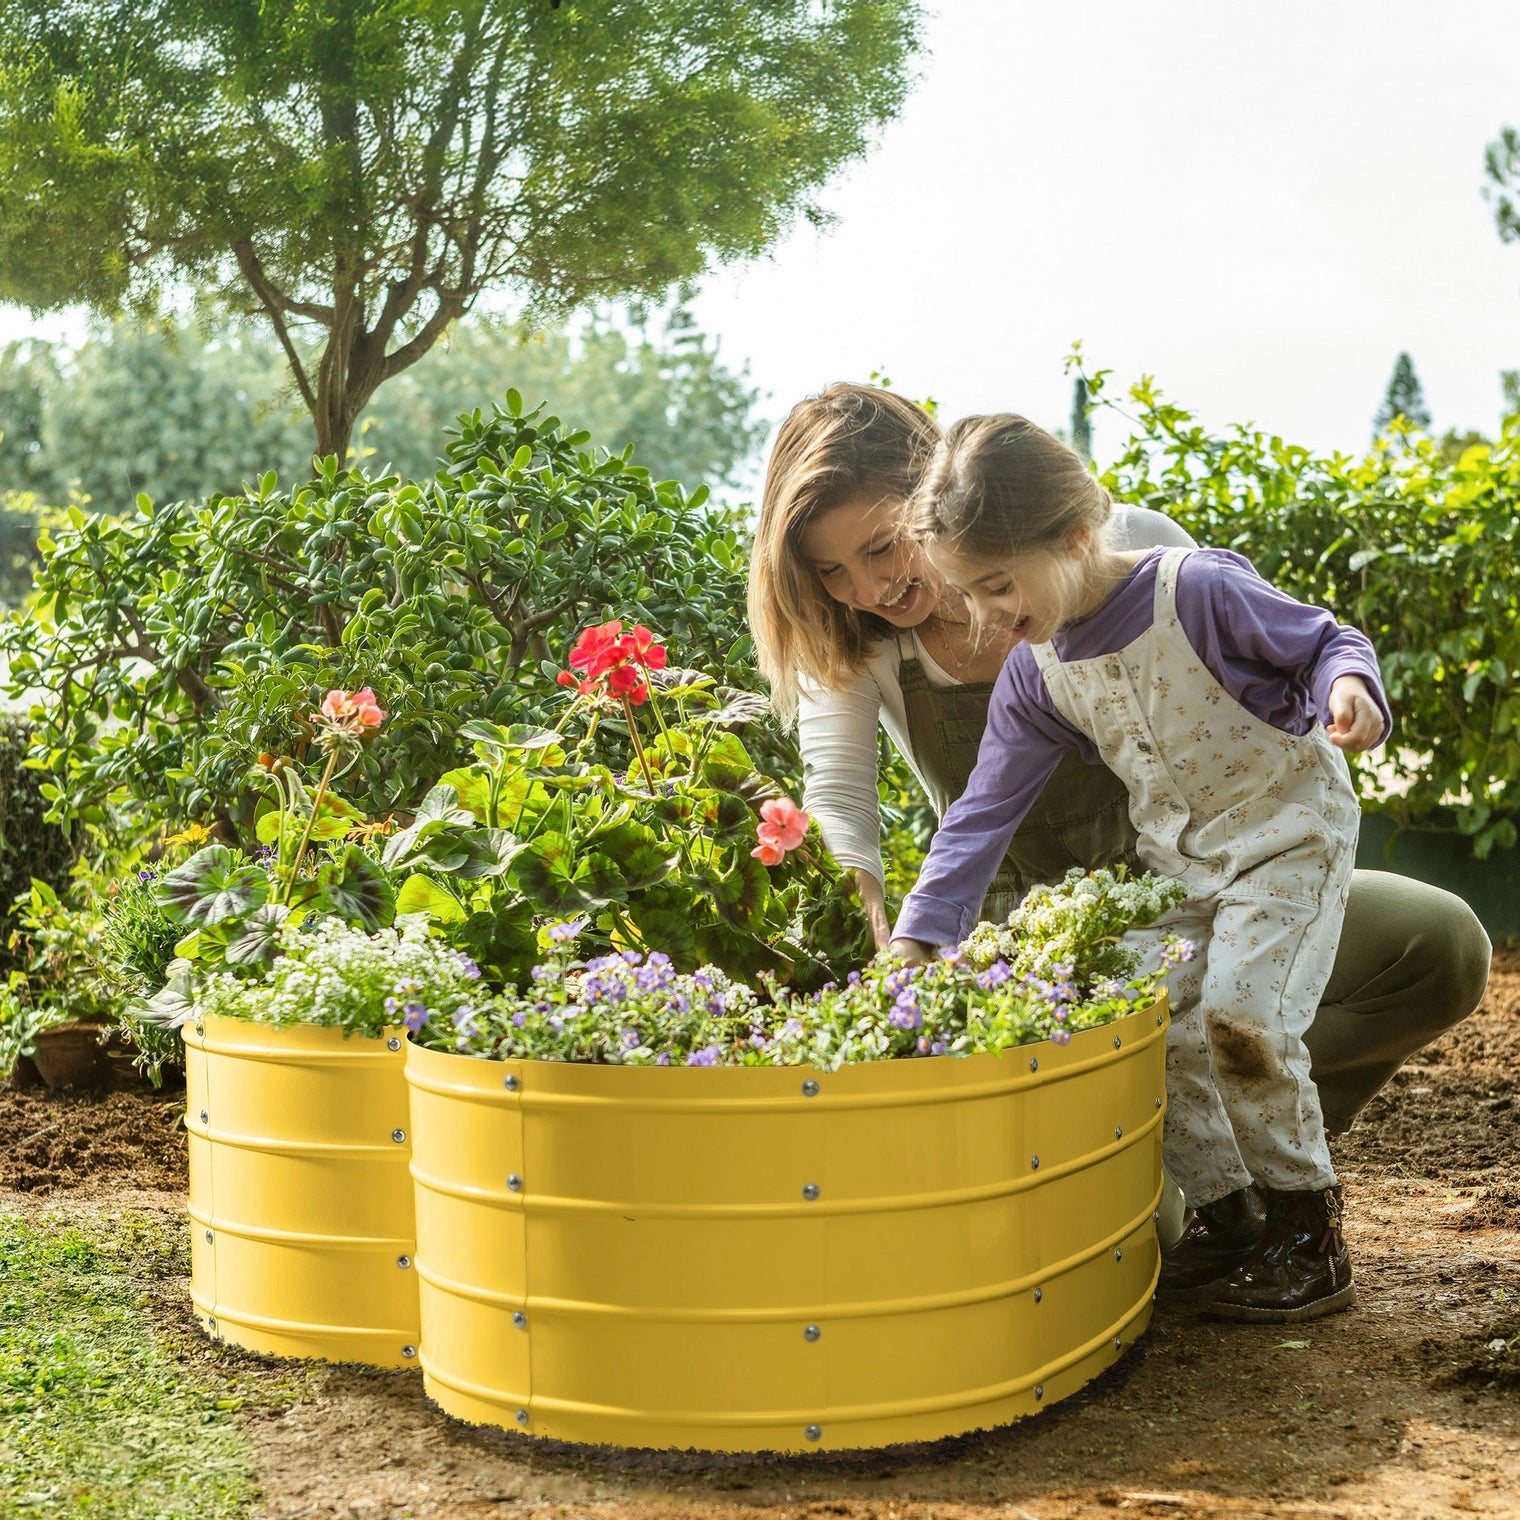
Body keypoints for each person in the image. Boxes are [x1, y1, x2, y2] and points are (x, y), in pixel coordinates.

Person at [747, 382, 1492, 1299]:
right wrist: (899, 947)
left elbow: (1295, 649)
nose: (871, 589)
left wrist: (1344, 694)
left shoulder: (1147, 560)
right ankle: (1213, 1196)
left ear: (940, 497)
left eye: (882, 546)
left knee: (1403, 957)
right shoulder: (915, 650)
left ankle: (1287, 1196)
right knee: (1156, 1193)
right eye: (832, 572)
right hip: (1054, 927)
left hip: (1222, 872)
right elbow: (908, 811)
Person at [885, 411, 1399, 1321]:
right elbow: (981, 813)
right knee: (1144, 1017)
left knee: (1241, 1017)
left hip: (1288, 838)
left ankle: (1308, 1235)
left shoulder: (1194, 590)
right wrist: (922, 934)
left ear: (1077, 534)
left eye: (998, 584)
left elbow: (1324, 642)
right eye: (968, 594)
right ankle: (1231, 1219)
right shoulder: (1036, 671)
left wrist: (1348, 690)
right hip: (1184, 869)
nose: (987, 616)